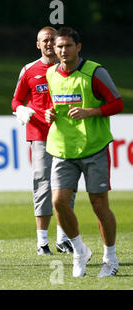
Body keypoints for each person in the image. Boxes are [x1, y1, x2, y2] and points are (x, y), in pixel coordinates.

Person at [45, 27, 123, 277]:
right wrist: (49, 113)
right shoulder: (50, 73)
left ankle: (110, 259)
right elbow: (54, 103)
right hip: (62, 148)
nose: (63, 51)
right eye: (59, 47)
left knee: (99, 205)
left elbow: (117, 103)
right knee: (58, 202)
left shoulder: (95, 72)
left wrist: (90, 111)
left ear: (78, 47)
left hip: (93, 148)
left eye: (68, 46)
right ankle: (79, 250)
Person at [12, 26, 73, 256]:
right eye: (44, 41)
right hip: (40, 135)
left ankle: (63, 239)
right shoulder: (29, 70)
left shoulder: (67, 68)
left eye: (52, 40)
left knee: (66, 188)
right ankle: (42, 242)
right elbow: (16, 101)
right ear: (38, 44)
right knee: (43, 184)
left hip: (68, 135)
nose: (49, 44)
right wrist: (22, 111)